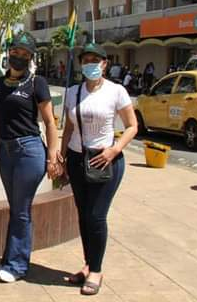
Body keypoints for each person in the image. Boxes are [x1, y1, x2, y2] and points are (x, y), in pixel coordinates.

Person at [61, 43, 137, 296]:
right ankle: (88, 264)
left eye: (96, 60)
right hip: (76, 158)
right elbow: (69, 129)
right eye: (86, 60)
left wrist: (114, 150)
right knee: (83, 215)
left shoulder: (116, 91)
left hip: (106, 160)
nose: (91, 64)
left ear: (105, 63)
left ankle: (96, 270)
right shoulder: (73, 92)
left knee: (96, 216)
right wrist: (62, 158)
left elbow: (132, 126)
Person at [0, 32, 63, 283]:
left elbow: (50, 122)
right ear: (9, 53)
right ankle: (11, 259)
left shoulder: (37, 83)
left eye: (24, 54)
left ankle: (16, 266)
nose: (18, 57)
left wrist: (53, 155)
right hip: (7, 152)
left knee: (21, 210)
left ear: (31, 58)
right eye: (15, 52)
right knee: (16, 208)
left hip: (29, 151)